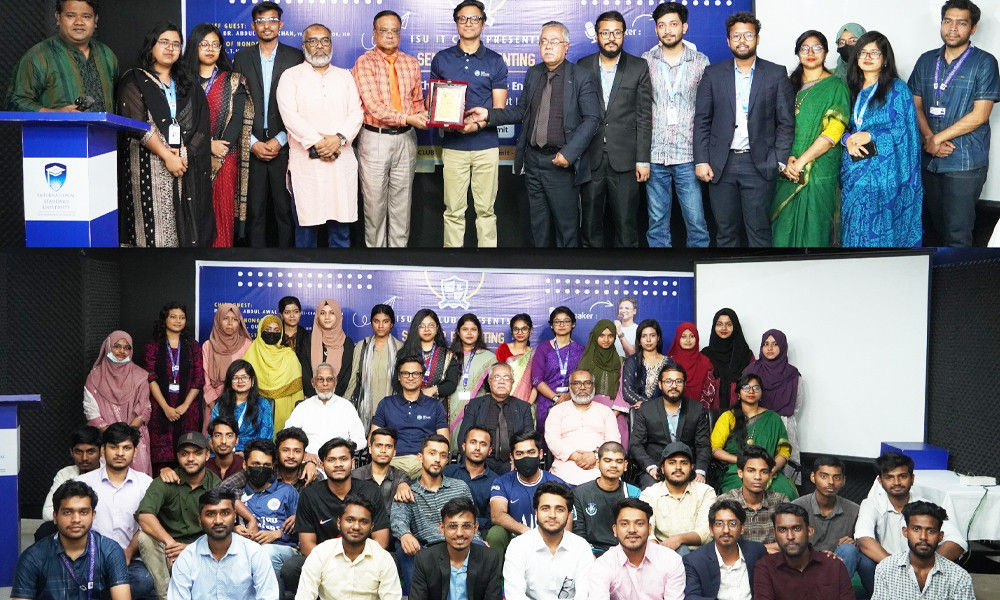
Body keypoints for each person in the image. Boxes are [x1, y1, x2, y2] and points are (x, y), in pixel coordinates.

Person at [467, 22, 601, 247]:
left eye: (554, 41)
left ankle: (565, 270)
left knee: (566, 231)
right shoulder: (534, 73)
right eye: (543, 42)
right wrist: (488, 114)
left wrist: (569, 154)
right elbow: (521, 111)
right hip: (533, 162)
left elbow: (591, 119)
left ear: (566, 46)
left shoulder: (581, 76)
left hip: (561, 163)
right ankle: (540, 266)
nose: (548, 46)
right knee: (538, 228)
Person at [694, 11, 795, 247]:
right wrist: (702, 160)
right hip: (721, 164)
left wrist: (778, 160)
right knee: (725, 233)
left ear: (757, 39)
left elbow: (786, 122)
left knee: (759, 231)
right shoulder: (713, 74)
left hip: (760, 164)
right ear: (728, 41)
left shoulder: (776, 73)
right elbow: (702, 120)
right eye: (736, 36)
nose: (742, 40)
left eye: (748, 35)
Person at [910, 0, 999, 248]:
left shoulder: (984, 62)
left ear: (973, 28)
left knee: (957, 236)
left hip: (964, 163)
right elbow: (914, 105)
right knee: (936, 230)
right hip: (930, 160)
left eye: (961, 23)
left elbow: (980, 115)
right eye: (948, 21)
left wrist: (936, 139)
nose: (952, 28)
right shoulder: (926, 61)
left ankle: (960, 273)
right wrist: (929, 139)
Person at [118, 22, 213, 247]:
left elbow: (201, 126)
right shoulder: (135, 79)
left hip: (185, 166)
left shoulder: (188, 85)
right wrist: (167, 156)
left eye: (176, 44)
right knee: (153, 236)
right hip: (148, 169)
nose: (170, 48)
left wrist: (184, 154)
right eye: (164, 42)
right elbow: (137, 125)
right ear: (151, 45)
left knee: (185, 236)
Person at [278, 25, 364, 247]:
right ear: (303, 46)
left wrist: (339, 139)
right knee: (306, 230)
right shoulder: (291, 76)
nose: (319, 46)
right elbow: (290, 116)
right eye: (313, 41)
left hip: (341, 161)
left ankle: (340, 269)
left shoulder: (345, 76)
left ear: (331, 45)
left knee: (341, 231)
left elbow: (356, 113)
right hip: (306, 164)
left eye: (324, 41)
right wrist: (319, 144)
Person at [432, 0, 508, 248]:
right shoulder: (442, 59)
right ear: (456, 23)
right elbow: (434, 103)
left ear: (483, 24)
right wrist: (444, 119)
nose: (468, 23)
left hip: (486, 146)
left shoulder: (495, 61)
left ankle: (488, 260)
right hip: (454, 147)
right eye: (463, 18)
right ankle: (452, 259)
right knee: (453, 210)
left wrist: (477, 125)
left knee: (486, 210)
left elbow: (499, 110)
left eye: (474, 18)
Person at [353, 9, 428, 248]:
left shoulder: (411, 63)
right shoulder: (365, 62)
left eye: (394, 31)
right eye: (383, 31)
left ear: (400, 33)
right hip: (375, 138)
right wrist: (409, 118)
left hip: (406, 139)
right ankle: (375, 258)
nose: (389, 35)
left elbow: (417, 101)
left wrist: (427, 115)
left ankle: (399, 257)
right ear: (374, 33)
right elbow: (373, 106)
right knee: (374, 205)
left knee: (402, 205)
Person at [577, 10, 652, 248]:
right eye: (605, 32)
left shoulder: (639, 66)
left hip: (626, 161)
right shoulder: (583, 66)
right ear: (597, 35)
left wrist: (643, 160)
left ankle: (628, 268)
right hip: (591, 158)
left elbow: (644, 116)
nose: (611, 38)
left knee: (627, 227)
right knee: (590, 227)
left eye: (617, 32)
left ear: (624, 35)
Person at [841, 31, 922, 247]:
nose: (867, 57)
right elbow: (839, 126)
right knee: (854, 230)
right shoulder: (849, 87)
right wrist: (847, 139)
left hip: (885, 176)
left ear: (885, 59)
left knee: (879, 235)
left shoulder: (897, 89)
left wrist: (871, 134)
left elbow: (905, 131)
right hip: (853, 173)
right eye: (862, 52)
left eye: (874, 53)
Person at [231, 1, 303, 248]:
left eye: (272, 20)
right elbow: (236, 103)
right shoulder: (242, 58)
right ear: (253, 26)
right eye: (261, 21)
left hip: (285, 146)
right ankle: (256, 258)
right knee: (255, 212)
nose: (267, 25)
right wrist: (251, 143)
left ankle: (288, 260)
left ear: (280, 24)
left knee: (285, 212)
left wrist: (280, 139)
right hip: (252, 147)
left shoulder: (295, 57)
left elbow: (301, 105)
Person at [771, 30, 851, 247]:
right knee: (783, 229)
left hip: (819, 167)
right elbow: (775, 125)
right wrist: (786, 159)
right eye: (804, 48)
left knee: (815, 228)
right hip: (786, 167)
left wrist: (801, 162)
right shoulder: (787, 84)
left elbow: (834, 131)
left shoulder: (836, 86)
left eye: (817, 48)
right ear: (797, 53)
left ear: (826, 52)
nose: (811, 53)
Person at [848, 452, 967, 597]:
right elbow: (863, 538)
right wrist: (901, 569)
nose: (896, 482)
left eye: (902, 476)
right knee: (864, 559)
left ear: (912, 478)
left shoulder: (926, 506)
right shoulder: (871, 504)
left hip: (924, 572)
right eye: (889, 477)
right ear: (880, 481)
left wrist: (928, 565)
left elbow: (957, 541)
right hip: (886, 570)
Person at [643, 1, 711, 249]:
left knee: (696, 223)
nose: (667, 30)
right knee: (656, 225)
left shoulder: (700, 62)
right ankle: (659, 265)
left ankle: (700, 264)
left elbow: (708, 110)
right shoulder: (645, 60)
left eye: (673, 24)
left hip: (688, 155)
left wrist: (704, 156)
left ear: (684, 27)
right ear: (656, 30)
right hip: (655, 154)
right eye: (662, 25)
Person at [281, 437, 390, 593]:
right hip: (324, 562)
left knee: (389, 561)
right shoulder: (310, 495)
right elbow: (307, 545)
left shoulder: (370, 491)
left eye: (343, 459)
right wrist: (336, 566)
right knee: (292, 568)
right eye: (331, 460)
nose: (338, 464)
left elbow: (381, 541)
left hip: (364, 560)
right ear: (322, 464)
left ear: (352, 462)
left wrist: (355, 563)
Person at [184, 23, 252, 247]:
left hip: (224, 156)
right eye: (204, 44)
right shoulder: (182, 82)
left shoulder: (233, 80)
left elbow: (237, 119)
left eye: (215, 44)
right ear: (194, 46)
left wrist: (218, 150)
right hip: (189, 156)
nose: (210, 49)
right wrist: (206, 146)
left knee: (221, 213)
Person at [136, 432, 222, 599]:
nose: (190, 458)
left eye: (197, 453)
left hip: (203, 548)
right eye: (184, 453)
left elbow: (221, 526)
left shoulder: (215, 484)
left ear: (207, 455)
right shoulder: (165, 481)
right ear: (178, 456)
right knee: (144, 537)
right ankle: (166, 595)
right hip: (169, 549)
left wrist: (191, 548)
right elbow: (144, 515)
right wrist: (171, 543)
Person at [75, 423, 156, 599]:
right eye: (114, 447)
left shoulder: (146, 483)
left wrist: (128, 553)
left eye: (126, 448)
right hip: (90, 559)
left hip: (131, 560)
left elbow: (149, 525)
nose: (120, 453)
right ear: (103, 450)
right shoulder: (83, 483)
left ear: (135, 451)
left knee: (144, 580)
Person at [12, 481, 130, 600]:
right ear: (55, 517)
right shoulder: (32, 557)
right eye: (67, 512)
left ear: (93, 516)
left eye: (83, 512)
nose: (76, 519)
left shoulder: (110, 551)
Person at [392, 435, 475, 591]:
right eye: (432, 453)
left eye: (443, 455)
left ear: (447, 460)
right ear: (420, 457)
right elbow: (398, 520)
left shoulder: (460, 487)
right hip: (425, 550)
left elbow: (470, 521)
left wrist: (478, 539)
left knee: (480, 547)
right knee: (402, 545)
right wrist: (405, 534)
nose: (437, 459)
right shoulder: (409, 492)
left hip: (458, 545)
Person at [166, 488, 279, 600]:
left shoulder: (254, 553)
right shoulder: (187, 558)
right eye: (210, 514)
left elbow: (269, 597)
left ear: (235, 517)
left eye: (225, 513)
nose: (218, 521)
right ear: (200, 520)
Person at [8, 0, 116, 110]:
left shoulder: (107, 55)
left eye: (86, 16)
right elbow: (15, 101)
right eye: (71, 16)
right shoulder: (39, 56)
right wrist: (55, 114)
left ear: (95, 20)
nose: (79, 22)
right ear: (58, 18)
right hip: (55, 123)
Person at [295, 495, 402, 600]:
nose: (356, 527)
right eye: (350, 520)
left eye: (363, 522)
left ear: (371, 527)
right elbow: (304, 596)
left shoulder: (383, 558)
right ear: (339, 523)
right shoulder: (321, 553)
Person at [503, 482, 594, 600]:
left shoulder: (581, 547)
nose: (552, 515)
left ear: (568, 514)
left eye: (559, 509)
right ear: (536, 512)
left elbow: (585, 595)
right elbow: (515, 595)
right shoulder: (518, 547)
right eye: (545, 508)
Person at [711, 373, 797, 498]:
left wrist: (771, 470)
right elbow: (715, 450)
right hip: (737, 470)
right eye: (746, 387)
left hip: (768, 470)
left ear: (761, 393)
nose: (751, 391)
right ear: (738, 393)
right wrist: (743, 461)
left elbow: (784, 452)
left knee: (785, 492)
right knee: (740, 495)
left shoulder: (773, 418)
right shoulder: (728, 417)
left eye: (756, 387)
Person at [143, 302, 205, 474]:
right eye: (173, 317)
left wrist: (185, 405)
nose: (178, 321)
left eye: (182, 317)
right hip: (161, 408)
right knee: (162, 458)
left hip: (188, 409)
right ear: (165, 319)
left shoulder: (193, 346)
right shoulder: (153, 345)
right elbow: (150, 377)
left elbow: (199, 379)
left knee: (187, 451)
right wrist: (165, 407)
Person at [485, 430, 566, 559]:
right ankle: (496, 572)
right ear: (512, 457)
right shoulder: (502, 482)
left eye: (531, 452)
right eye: (520, 454)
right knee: (496, 533)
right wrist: (526, 532)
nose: (526, 458)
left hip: (549, 541)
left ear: (540, 454)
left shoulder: (556, 483)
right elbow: (497, 515)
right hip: (515, 539)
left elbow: (566, 526)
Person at [871, 501, 976, 600]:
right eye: (916, 529)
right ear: (905, 532)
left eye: (931, 531)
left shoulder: (959, 577)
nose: (923, 537)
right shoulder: (886, 569)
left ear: (940, 536)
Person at [232, 438, 299, 590]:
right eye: (256, 464)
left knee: (267, 552)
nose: (261, 469)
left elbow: (303, 530)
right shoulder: (238, 493)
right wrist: (235, 529)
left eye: (266, 465)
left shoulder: (287, 491)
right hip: (246, 550)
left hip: (282, 549)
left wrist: (277, 534)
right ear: (245, 465)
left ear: (273, 467)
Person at [630, 365, 711, 488]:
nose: (674, 386)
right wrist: (651, 468)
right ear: (660, 384)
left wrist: (700, 471)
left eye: (678, 381)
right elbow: (635, 444)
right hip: (656, 468)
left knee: (701, 491)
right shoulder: (646, 409)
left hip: (687, 469)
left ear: (684, 384)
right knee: (652, 491)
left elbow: (703, 444)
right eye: (668, 381)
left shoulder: (697, 409)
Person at [83, 331, 153, 475]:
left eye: (127, 348)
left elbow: (144, 409)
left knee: (138, 483)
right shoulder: (95, 376)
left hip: (134, 439)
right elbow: (91, 410)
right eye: (117, 346)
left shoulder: (140, 376)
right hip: (106, 439)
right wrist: (113, 436)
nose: (122, 351)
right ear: (108, 346)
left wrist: (127, 436)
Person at [590, 497, 686, 600]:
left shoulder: (671, 560)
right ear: (615, 530)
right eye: (624, 524)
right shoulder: (604, 565)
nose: (632, 530)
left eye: (639, 523)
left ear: (649, 529)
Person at [753, 503, 854, 600]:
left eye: (796, 528)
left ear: (810, 531)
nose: (790, 536)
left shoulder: (834, 566)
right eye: (782, 530)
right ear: (775, 533)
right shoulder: (766, 567)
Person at [409, 497, 503, 600]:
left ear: (475, 528)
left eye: (466, 526)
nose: (459, 533)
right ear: (442, 528)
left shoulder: (490, 559)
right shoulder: (425, 559)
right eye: (453, 526)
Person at [371, 356, 450, 478]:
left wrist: (430, 460)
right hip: (393, 460)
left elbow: (444, 441)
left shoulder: (435, 405)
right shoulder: (386, 403)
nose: (410, 377)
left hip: (424, 461)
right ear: (399, 377)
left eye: (416, 374)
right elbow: (373, 439)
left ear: (422, 377)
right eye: (405, 373)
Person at [744, 330, 802, 483]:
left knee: (784, 477)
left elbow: (797, 404)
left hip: (784, 423)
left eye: (775, 344)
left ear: (782, 347)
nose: (770, 348)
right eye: (766, 344)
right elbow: (742, 397)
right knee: (756, 472)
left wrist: (776, 420)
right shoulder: (751, 371)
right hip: (755, 424)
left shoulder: (792, 375)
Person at [545, 369, 621, 485]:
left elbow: (614, 441)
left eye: (587, 383)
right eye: (577, 383)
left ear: (593, 386)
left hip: (599, 469)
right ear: (570, 387)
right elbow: (552, 440)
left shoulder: (606, 412)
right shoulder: (557, 411)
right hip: (565, 470)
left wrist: (595, 455)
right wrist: (575, 456)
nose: (582, 387)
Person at [681, 498, 768, 600]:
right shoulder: (694, 561)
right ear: (711, 529)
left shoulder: (757, 552)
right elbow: (691, 597)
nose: (726, 530)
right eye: (719, 524)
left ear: (742, 528)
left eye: (732, 523)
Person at [639, 442, 716, 555]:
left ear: (691, 468)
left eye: (684, 463)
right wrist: (656, 551)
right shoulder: (649, 494)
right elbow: (646, 531)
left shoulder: (705, 492)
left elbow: (706, 532)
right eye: (672, 463)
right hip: (662, 552)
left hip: (699, 555)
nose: (678, 467)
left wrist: (679, 539)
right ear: (662, 468)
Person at [457, 362, 535, 474]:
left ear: (512, 382)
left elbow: (529, 440)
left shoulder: (523, 407)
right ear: (489, 382)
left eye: (506, 378)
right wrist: (472, 465)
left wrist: (520, 461)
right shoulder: (475, 405)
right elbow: (463, 438)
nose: (501, 381)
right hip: (481, 462)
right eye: (497, 377)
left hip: (512, 463)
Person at [572, 441, 640, 555]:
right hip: (591, 553)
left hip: (624, 553)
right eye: (608, 460)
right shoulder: (580, 493)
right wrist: (589, 557)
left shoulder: (634, 493)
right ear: (598, 463)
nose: (613, 465)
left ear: (625, 465)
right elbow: (579, 534)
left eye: (619, 461)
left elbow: (636, 532)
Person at [284, 363, 368, 455]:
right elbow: (287, 436)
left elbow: (360, 440)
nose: (325, 384)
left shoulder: (347, 407)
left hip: (338, 459)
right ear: (313, 382)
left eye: (330, 379)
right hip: (309, 460)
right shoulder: (303, 407)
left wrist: (342, 451)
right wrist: (304, 454)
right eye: (320, 379)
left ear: (335, 382)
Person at [716, 446, 790, 551]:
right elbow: (723, 545)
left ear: (770, 475)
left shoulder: (780, 501)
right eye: (751, 471)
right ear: (740, 473)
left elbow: (789, 542)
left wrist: (755, 550)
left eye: (764, 472)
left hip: (773, 560)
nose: (757, 477)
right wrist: (763, 550)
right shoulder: (724, 503)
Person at [343, 304, 403, 429]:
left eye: (385, 321)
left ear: (392, 324)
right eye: (376, 321)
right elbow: (353, 379)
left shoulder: (400, 348)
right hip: (364, 409)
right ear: (371, 323)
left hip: (392, 410)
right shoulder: (362, 346)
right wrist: (346, 405)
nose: (380, 326)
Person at [241, 314, 305, 432]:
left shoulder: (289, 355)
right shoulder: (251, 354)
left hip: (285, 410)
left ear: (281, 333)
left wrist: (297, 416)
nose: (272, 333)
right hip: (257, 409)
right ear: (260, 331)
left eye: (276, 330)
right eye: (268, 329)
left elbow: (297, 389)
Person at [38, 426, 103, 541]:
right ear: (71, 452)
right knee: (45, 530)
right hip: (72, 528)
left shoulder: (108, 475)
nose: (84, 458)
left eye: (90, 452)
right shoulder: (65, 474)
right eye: (78, 452)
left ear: (101, 451)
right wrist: (72, 518)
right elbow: (47, 512)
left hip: (102, 530)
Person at [531, 307, 585, 437]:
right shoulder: (543, 349)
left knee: (570, 437)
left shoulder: (581, 350)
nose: (561, 324)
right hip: (546, 402)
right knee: (547, 437)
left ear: (573, 324)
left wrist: (569, 395)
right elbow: (536, 379)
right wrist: (555, 398)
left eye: (566, 321)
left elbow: (584, 378)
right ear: (551, 325)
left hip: (573, 401)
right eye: (557, 321)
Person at [219, 427, 318, 495]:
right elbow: (225, 487)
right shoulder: (266, 468)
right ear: (277, 452)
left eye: (297, 451)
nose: (291, 456)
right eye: (285, 450)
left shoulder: (311, 474)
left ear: (304, 454)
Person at [791, 456, 860, 554]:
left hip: (839, 560)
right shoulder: (796, 507)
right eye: (824, 476)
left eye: (836, 477)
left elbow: (861, 546)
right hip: (805, 559)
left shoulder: (854, 510)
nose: (831, 482)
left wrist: (854, 544)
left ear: (843, 481)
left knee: (849, 550)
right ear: (813, 477)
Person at [448, 313, 496, 446]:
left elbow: (492, 388)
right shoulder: (449, 355)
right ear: (458, 332)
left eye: (473, 329)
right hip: (452, 405)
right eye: (465, 329)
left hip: (478, 408)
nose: (469, 333)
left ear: (479, 332)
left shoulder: (488, 357)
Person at [200, 304, 252, 420]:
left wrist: (240, 406)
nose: (230, 323)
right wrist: (215, 408)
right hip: (214, 402)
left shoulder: (247, 345)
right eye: (225, 318)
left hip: (242, 403)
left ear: (239, 322)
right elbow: (206, 381)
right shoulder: (208, 346)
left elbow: (250, 376)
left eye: (234, 319)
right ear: (218, 320)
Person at [444, 426, 500, 530]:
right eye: (473, 442)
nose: (477, 448)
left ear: (489, 450)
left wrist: (466, 522)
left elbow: (491, 520)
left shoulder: (496, 482)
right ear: (464, 446)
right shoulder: (447, 473)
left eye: (483, 444)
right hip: (446, 530)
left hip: (479, 532)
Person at [210, 360, 273, 451]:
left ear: (252, 381)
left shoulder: (262, 405)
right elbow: (211, 436)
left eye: (245, 377)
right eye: (235, 378)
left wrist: (246, 454)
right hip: (223, 452)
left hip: (252, 454)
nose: (240, 381)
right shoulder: (221, 405)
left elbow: (266, 438)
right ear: (230, 382)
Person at [400, 309, 460, 404]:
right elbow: (397, 381)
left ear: (437, 328)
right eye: (422, 326)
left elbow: (451, 384)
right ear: (416, 328)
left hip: (437, 406)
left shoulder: (447, 355)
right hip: (408, 404)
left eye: (431, 325)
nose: (426, 329)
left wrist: (433, 390)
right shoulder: (405, 353)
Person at [700, 308, 753, 411]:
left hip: (739, 414)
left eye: (729, 324)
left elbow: (751, 386)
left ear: (735, 327)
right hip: (711, 414)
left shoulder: (746, 355)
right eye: (719, 324)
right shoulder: (705, 355)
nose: (724, 328)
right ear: (714, 327)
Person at [618, 319, 671, 409]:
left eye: (652, 335)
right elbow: (627, 392)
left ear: (658, 338)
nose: (648, 340)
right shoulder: (631, 361)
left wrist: (652, 405)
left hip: (663, 411)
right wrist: (650, 405)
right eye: (644, 336)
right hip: (639, 412)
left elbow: (671, 391)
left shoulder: (668, 362)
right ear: (639, 340)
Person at [354, 427, 411, 509]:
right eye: (378, 446)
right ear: (370, 449)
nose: (383, 450)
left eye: (388, 446)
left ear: (394, 452)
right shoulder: (355, 476)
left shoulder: (401, 478)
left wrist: (403, 484)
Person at [310, 299, 355, 397]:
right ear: (317, 317)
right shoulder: (308, 341)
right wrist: (318, 398)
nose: (327, 317)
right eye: (322, 313)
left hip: (338, 399)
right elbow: (306, 375)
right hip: (313, 399)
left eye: (332, 313)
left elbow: (346, 376)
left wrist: (332, 398)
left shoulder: (347, 343)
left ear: (338, 316)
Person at [576, 319, 624, 409]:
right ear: (595, 336)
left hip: (614, 409)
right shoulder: (586, 361)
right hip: (589, 409)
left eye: (610, 336)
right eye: (602, 336)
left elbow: (623, 391)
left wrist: (615, 411)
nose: (606, 340)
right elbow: (579, 390)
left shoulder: (620, 361)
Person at [664, 322, 712, 403]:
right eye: (683, 337)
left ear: (697, 338)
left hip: (700, 408)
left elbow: (709, 392)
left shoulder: (705, 362)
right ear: (678, 338)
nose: (688, 340)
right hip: (672, 406)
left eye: (692, 336)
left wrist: (698, 409)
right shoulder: (670, 362)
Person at [494, 314, 537, 403]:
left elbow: (537, 383)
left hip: (526, 402)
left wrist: (528, 405)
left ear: (530, 330)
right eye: (516, 329)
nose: (520, 332)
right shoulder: (503, 349)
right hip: (503, 401)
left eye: (524, 329)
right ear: (512, 331)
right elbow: (496, 376)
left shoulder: (535, 354)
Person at [278, 296, 314, 398]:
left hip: (300, 387)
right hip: (278, 385)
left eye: (296, 311)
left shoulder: (307, 337)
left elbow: (307, 368)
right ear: (281, 314)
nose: (292, 316)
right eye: (287, 312)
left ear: (300, 313)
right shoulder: (275, 335)